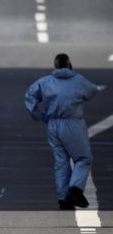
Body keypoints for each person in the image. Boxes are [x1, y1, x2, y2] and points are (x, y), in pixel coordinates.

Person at [25, 53, 98, 210]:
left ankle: (63, 199)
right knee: (83, 158)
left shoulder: (45, 81)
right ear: (69, 64)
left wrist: (40, 116)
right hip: (73, 124)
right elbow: (92, 90)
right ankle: (76, 188)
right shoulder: (78, 80)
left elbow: (30, 96)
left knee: (61, 162)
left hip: (53, 125)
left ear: (55, 65)